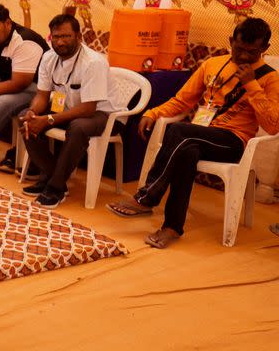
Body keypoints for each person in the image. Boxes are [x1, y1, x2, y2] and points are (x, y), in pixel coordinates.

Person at [108, 18, 279, 249]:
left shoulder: (270, 78)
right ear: (231, 42)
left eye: (252, 52)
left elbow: (272, 125)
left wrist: (252, 86)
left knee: (179, 131)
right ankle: (172, 228)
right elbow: (183, 99)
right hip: (199, 133)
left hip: (233, 142)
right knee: (186, 150)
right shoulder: (212, 64)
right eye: (239, 49)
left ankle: (146, 198)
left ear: (264, 49)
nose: (245, 57)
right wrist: (154, 112)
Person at [19, 13, 121, 209]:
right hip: (69, 108)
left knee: (78, 127)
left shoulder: (93, 62)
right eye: (56, 37)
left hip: (103, 114)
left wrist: (48, 119)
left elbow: (89, 108)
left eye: (66, 36)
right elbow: (42, 95)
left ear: (79, 37)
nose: (60, 42)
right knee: (25, 119)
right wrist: (33, 112)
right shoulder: (49, 58)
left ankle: (55, 187)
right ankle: (52, 176)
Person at [0, 3, 49, 154]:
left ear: (7, 23)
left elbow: (18, 84)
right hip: (1, 77)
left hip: (35, 87)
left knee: (1, 103)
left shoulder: (25, 41)